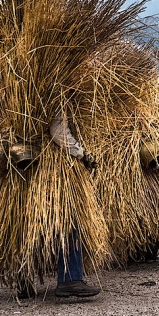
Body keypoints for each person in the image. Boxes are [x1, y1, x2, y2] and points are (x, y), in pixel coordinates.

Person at [50, 116, 100, 299]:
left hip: (23, 164)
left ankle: (21, 281)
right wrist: (81, 153)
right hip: (52, 170)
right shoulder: (57, 93)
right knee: (69, 220)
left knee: (24, 223)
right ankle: (70, 278)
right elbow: (58, 132)